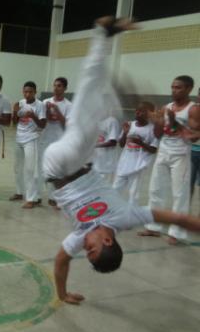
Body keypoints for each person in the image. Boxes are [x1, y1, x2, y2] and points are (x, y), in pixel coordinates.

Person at [43, 17, 200, 305]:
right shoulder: (126, 218)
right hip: (81, 160)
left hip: (59, 166)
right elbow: (176, 217)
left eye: (86, 252)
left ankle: (110, 75)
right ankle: (104, 36)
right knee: (91, 109)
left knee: (87, 121)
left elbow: (61, 260)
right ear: (107, 241)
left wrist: (62, 294)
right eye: (91, 251)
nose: (85, 249)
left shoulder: (80, 235)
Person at [139, 75, 196, 245]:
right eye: (172, 87)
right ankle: (153, 226)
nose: (174, 90)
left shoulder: (193, 110)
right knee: (155, 190)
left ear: (188, 89)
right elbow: (158, 134)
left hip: (181, 155)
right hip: (163, 152)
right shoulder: (166, 107)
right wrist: (152, 119)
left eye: (178, 87)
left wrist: (173, 122)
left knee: (180, 194)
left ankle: (177, 232)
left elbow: (192, 137)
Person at [112, 102, 158, 204]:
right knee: (115, 189)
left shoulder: (152, 129)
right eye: (137, 110)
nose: (137, 113)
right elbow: (121, 144)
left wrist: (140, 142)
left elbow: (153, 150)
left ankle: (130, 214)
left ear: (149, 114)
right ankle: (113, 212)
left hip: (138, 165)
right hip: (124, 163)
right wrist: (125, 133)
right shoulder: (129, 125)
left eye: (141, 111)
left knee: (133, 194)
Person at [10, 81, 46, 208]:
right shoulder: (20, 103)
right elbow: (14, 123)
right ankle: (19, 192)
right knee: (17, 167)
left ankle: (31, 198)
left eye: (30, 92)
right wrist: (14, 112)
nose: (27, 94)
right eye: (25, 91)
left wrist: (33, 116)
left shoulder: (40, 105)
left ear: (35, 92)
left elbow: (42, 125)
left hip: (32, 139)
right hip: (19, 138)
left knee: (30, 169)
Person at [41, 77, 72, 206]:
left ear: (65, 88)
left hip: (60, 141)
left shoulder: (69, 105)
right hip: (45, 139)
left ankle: (56, 198)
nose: (56, 88)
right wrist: (48, 111)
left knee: (58, 170)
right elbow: (42, 121)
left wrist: (58, 111)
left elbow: (67, 125)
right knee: (45, 169)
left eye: (59, 86)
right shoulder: (45, 102)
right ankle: (44, 195)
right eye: (54, 85)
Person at [93, 108, 121, 183]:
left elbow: (113, 142)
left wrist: (94, 145)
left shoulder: (111, 121)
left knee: (105, 190)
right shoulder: (95, 122)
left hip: (107, 164)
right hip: (96, 164)